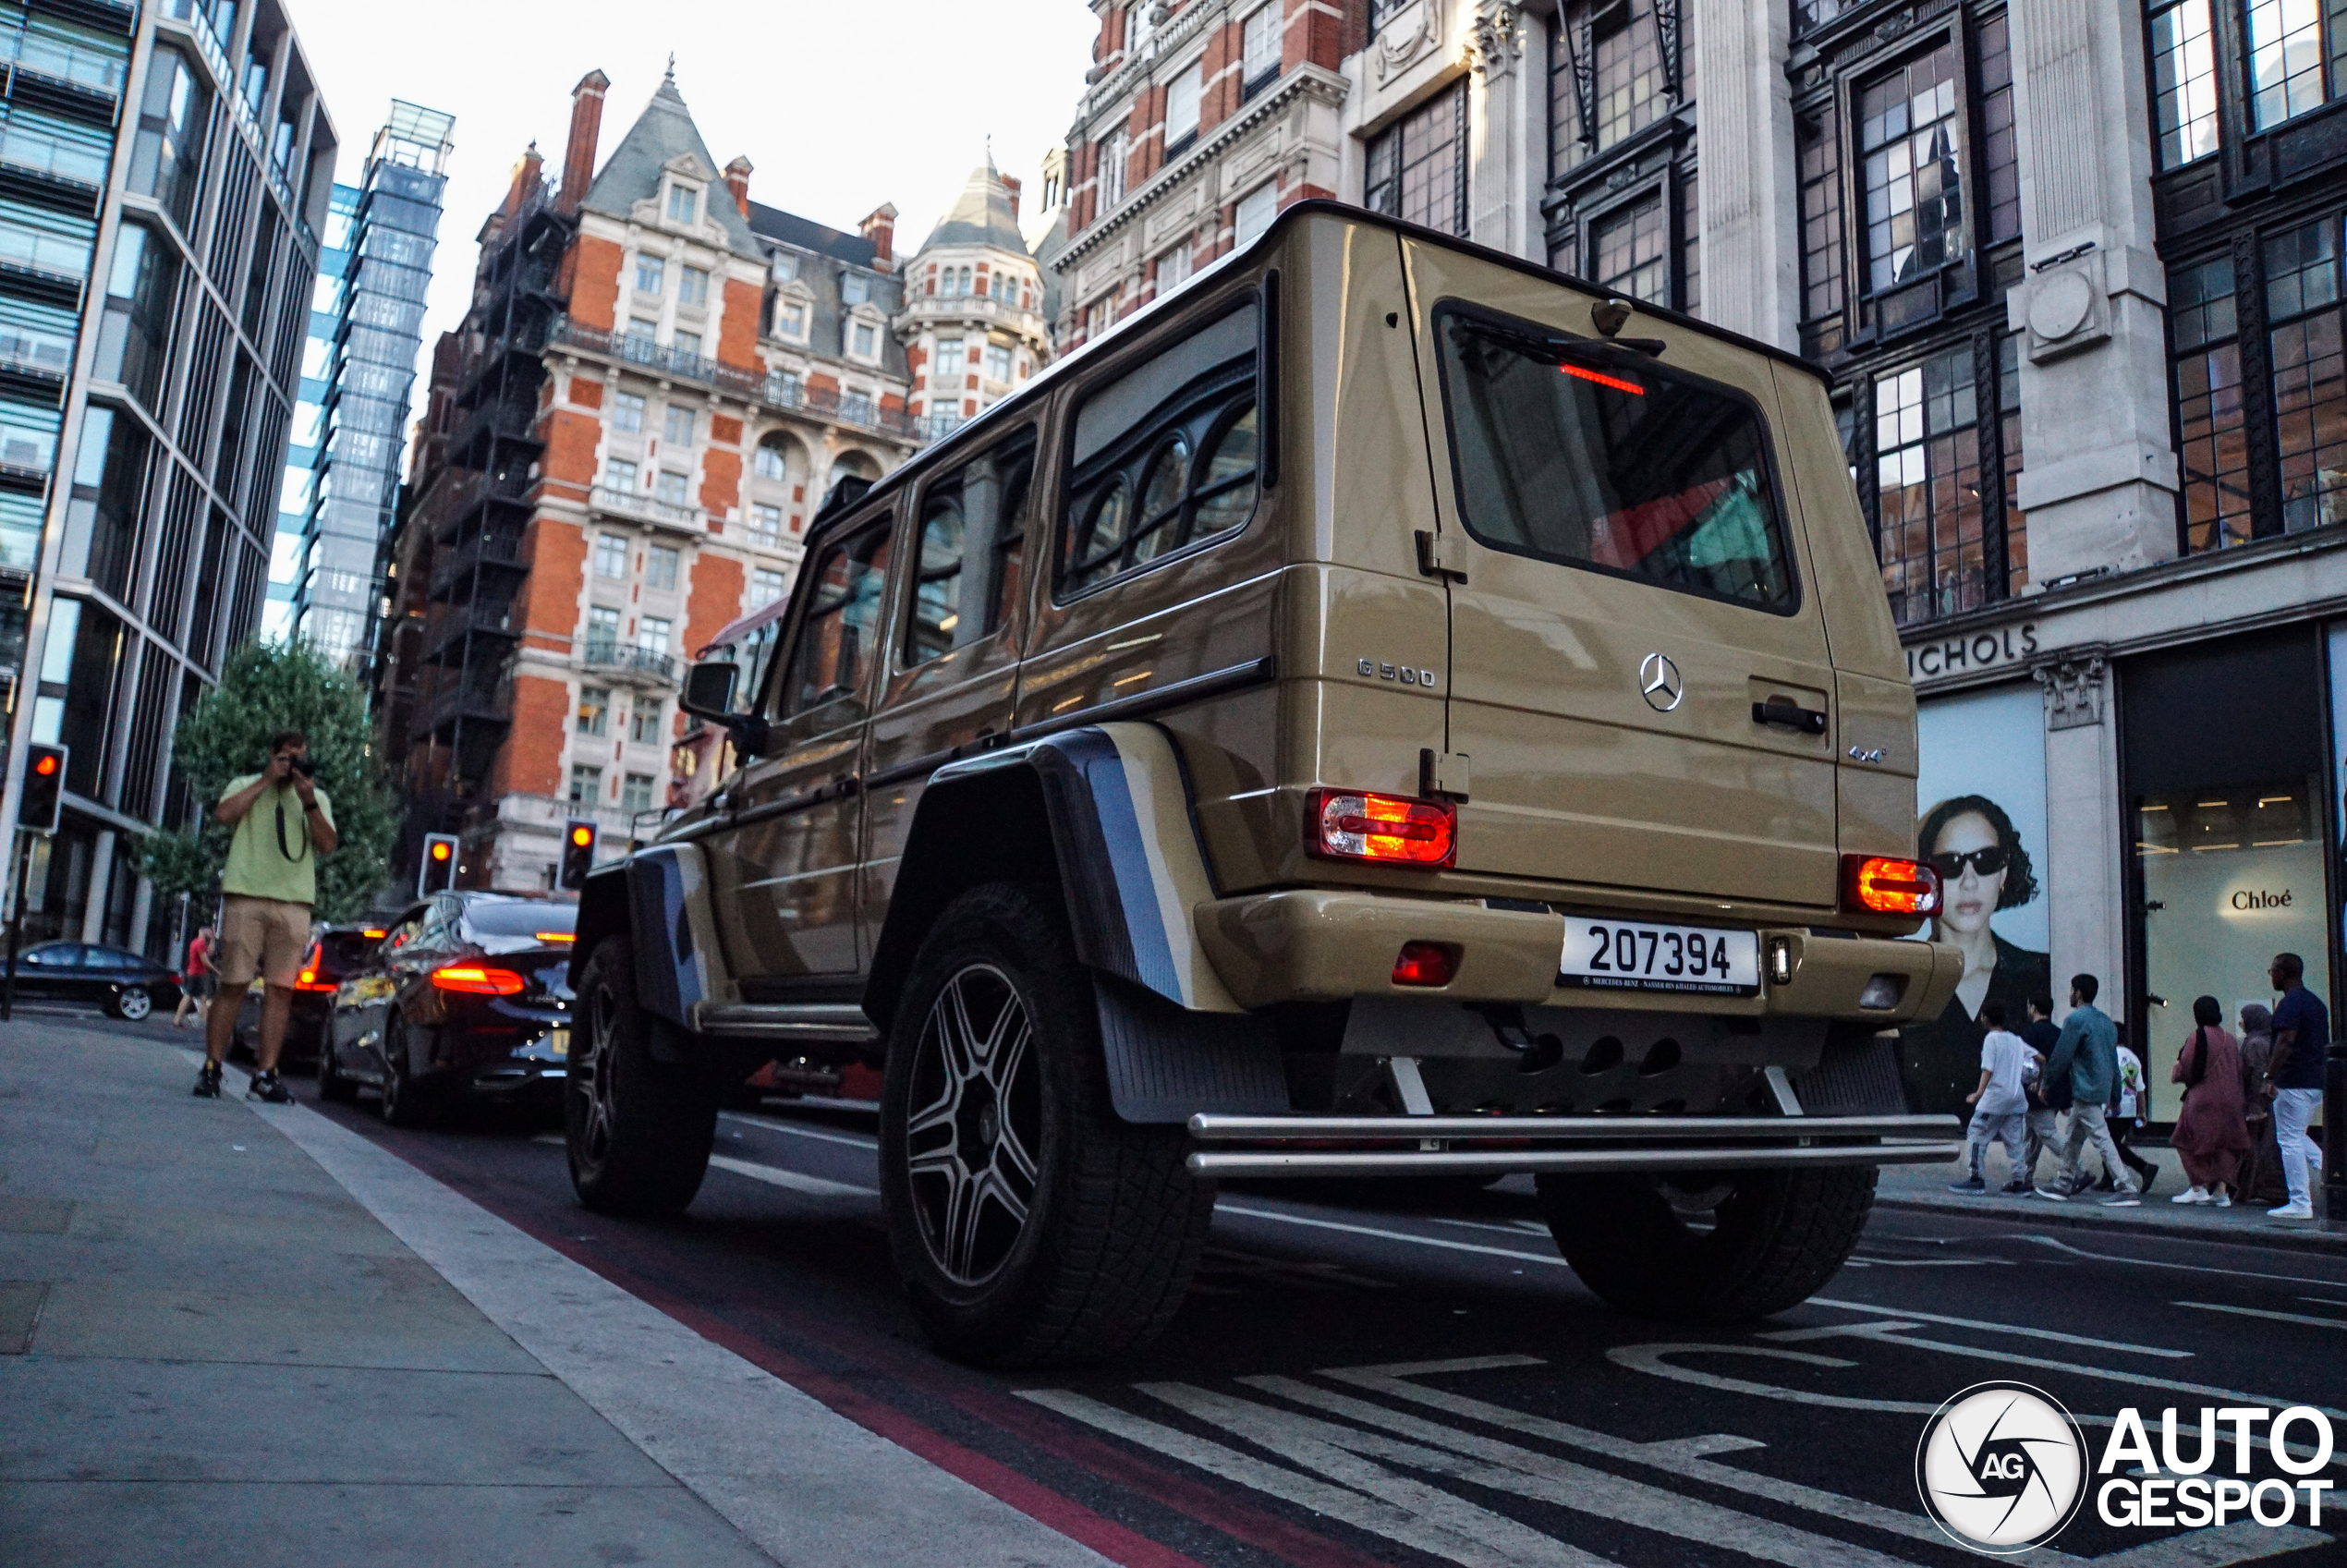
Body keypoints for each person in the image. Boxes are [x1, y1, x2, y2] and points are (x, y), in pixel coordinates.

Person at [192, 732, 336, 1104]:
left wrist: (308, 802)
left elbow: (328, 844)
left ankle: (267, 1073)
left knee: (281, 991)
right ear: (271, 756)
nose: (293, 765)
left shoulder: (315, 798)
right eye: (286, 758)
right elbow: (224, 814)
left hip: (294, 904)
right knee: (234, 985)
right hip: (246, 898)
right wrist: (266, 781)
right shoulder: (245, 785)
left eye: (300, 758)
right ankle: (212, 1067)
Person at [1903, 796, 2052, 1113]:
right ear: (1925, 878)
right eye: (1950, 864)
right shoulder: (1902, 980)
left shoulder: (2041, 973)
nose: (1969, 882)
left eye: (1985, 860)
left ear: (2003, 873)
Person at [2037, 973, 2140, 1205]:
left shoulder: (2076, 1020)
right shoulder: (2106, 1023)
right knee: (2073, 1139)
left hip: (2085, 1090)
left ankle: (2125, 1187)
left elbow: (2061, 1056)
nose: (2069, 994)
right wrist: (2114, 1094)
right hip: (2099, 1090)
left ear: (2079, 993)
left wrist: (2046, 1084)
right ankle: (2064, 1183)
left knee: (2103, 1140)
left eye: (2072, 990)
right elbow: (2113, 1063)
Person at [2169, 996, 2250, 1207]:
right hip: (2231, 1098)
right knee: (2222, 1145)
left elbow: (2187, 1067)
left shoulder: (2197, 1036)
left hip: (2202, 1098)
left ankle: (2198, 1186)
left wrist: (2176, 1072)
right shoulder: (2230, 1038)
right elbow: (2239, 1068)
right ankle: (2221, 1192)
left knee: (2184, 1140)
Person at [2265, 952, 2328, 1222]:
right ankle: (2336, 1179)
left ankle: (2300, 1202)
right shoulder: (2316, 1003)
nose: (2271, 976)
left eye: (2272, 971)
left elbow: (2286, 1040)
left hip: (2293, 1081)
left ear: (2281, 973)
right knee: (2298, 1135)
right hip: (2315, 1081)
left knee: (2288, 1140)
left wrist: (2270, 1076)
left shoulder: (2290, 1003)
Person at [1950, 1003, 2031, 1194]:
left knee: (1977, 1132)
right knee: (2014, 1141)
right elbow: (2040, 1058)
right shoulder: (2016, 1039)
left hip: (1994, 1099)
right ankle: (2020, 1181)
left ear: (1985, 1018)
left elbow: (1988, 1069)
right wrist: (2038, 1080)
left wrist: (1978, 1094)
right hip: (2016, 1099)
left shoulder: (1991, 1039)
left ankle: (1975, 1177)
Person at [2236, 1002, 2289, 1206]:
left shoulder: (2255, 1044)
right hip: (2271, 1101)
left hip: (2261, 1104)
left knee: (2259, 1146)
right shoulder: (2269, 1040)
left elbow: (2257, 1075)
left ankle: (2261, 1188)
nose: (2241, 1022)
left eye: (2243, 1017)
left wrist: (2255, 1105)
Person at [2102, 1023, 2160, 1195]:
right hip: (2129, 1108)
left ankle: (2143, 1167)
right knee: (2111, 1141)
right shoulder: (2133, 1057)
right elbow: (2139, 1087)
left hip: (2113, 1107)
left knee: (2109, 1144)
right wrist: (2142, 1111)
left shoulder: (2110, 1055)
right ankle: (2108, 1179)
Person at [2018, 993, 2062, 1193]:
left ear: (2033, 1008)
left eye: (2029, 1005)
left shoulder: (2030, 1034)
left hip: (2034, 1092)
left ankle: (2078, 1169)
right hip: (2054, 1092)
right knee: (2032, 1136)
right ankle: (2024, 1177)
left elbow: (2026, 1065)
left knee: (2046, 1133)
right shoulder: (2058, 1033)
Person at [171, 924, 213, 1029]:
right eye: (210, 932)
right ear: (204, 932)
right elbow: (206, 960)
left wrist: (212, 939)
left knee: (201, 997)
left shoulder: (197, 942)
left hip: (194, 973)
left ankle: (200, 1018)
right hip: (196, 974)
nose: (211, 934)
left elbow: (210, 953)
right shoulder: (200, 943)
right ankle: (193, 1018)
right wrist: (217, 971)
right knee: (190, 996)